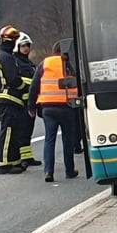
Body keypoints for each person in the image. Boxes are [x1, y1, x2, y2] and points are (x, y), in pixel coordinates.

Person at [28, 41, 79, 183]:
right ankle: (69, 170)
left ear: (53, 51)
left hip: (48, 107)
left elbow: (34, 86)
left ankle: (48, 172)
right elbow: (78, 81)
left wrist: (31, 106)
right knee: (68, 140)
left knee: (49, 140)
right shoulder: (68, 64)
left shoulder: (45, 63)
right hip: (67, 106)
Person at [0, 25, 30, 174]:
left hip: (9, 99)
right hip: (8, 98)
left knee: (13, 131)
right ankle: (4, 165)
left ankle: (14, 161)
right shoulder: (6, 57)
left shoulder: (3, 56)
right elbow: (14, 79)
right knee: (7, 131)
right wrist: (27, 86)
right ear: (12, 41)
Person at [14, 32, 41, 167]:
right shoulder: (16, 62)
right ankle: (23, 158)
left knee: (29, 129)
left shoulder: (28, 62)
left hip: (30, 101)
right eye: (23, 45)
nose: (26, 48)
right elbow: (22, 80)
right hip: (21, 102)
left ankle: (28, 157)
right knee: (23, 130)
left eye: (27, 45)